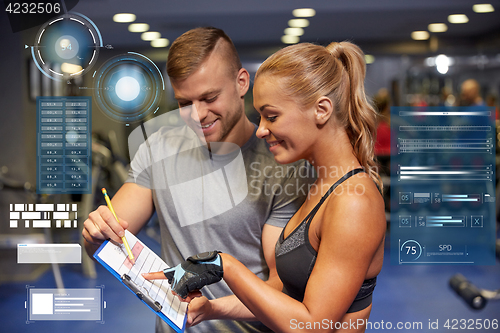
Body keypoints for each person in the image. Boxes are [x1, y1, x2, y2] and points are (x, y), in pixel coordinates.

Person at [83, 27, 314, 333]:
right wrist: (97, 232)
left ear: (241, 82)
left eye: (209, 97)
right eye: (184, 103)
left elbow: (280, 283)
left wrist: (213, 308)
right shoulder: (158, 149)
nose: (198, 114)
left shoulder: (283, 165)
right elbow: (113, 235)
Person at [145, 41, 386, 332]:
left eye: (271, 116)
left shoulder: (353, 201)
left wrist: (226, 266)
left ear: (321, 110)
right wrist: (212, 308)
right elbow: (288, 298)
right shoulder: (321, 186)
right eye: (260, 116)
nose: (260, 129)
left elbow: (312, 325)